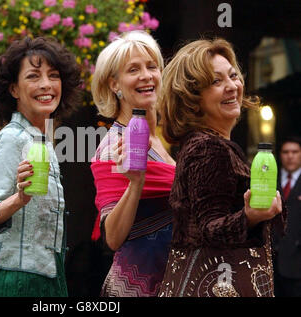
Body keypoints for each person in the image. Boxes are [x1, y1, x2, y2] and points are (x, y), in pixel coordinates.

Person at [157, 38, 284, 297]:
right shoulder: (208, 149)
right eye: (216, 82)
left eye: (233, 76)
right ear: (192, 99)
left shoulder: (207, 144)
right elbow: (210, 230)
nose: (232, 87)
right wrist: (251, 216)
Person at [0, 36, 81, 297]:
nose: (46, 85)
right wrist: (19, 199)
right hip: (16, 282)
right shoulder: (13, 139)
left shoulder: (41, 140)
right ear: (14, 89)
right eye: (33, 76)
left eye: (53, 76)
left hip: (48, 279)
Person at [90, 30, 176, 297]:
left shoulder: (161, 138)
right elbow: (113, 238)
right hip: (136, 287)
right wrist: (136, 182)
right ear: (115, 85)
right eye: (133, 70)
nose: (146, 76)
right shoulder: (111, 146)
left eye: (152, 67)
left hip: (171, 280)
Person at [273, 136, 301, 296]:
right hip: (272, 264)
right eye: (286, 152)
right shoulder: (269, 180)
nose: (290, 156)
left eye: (295, 152)